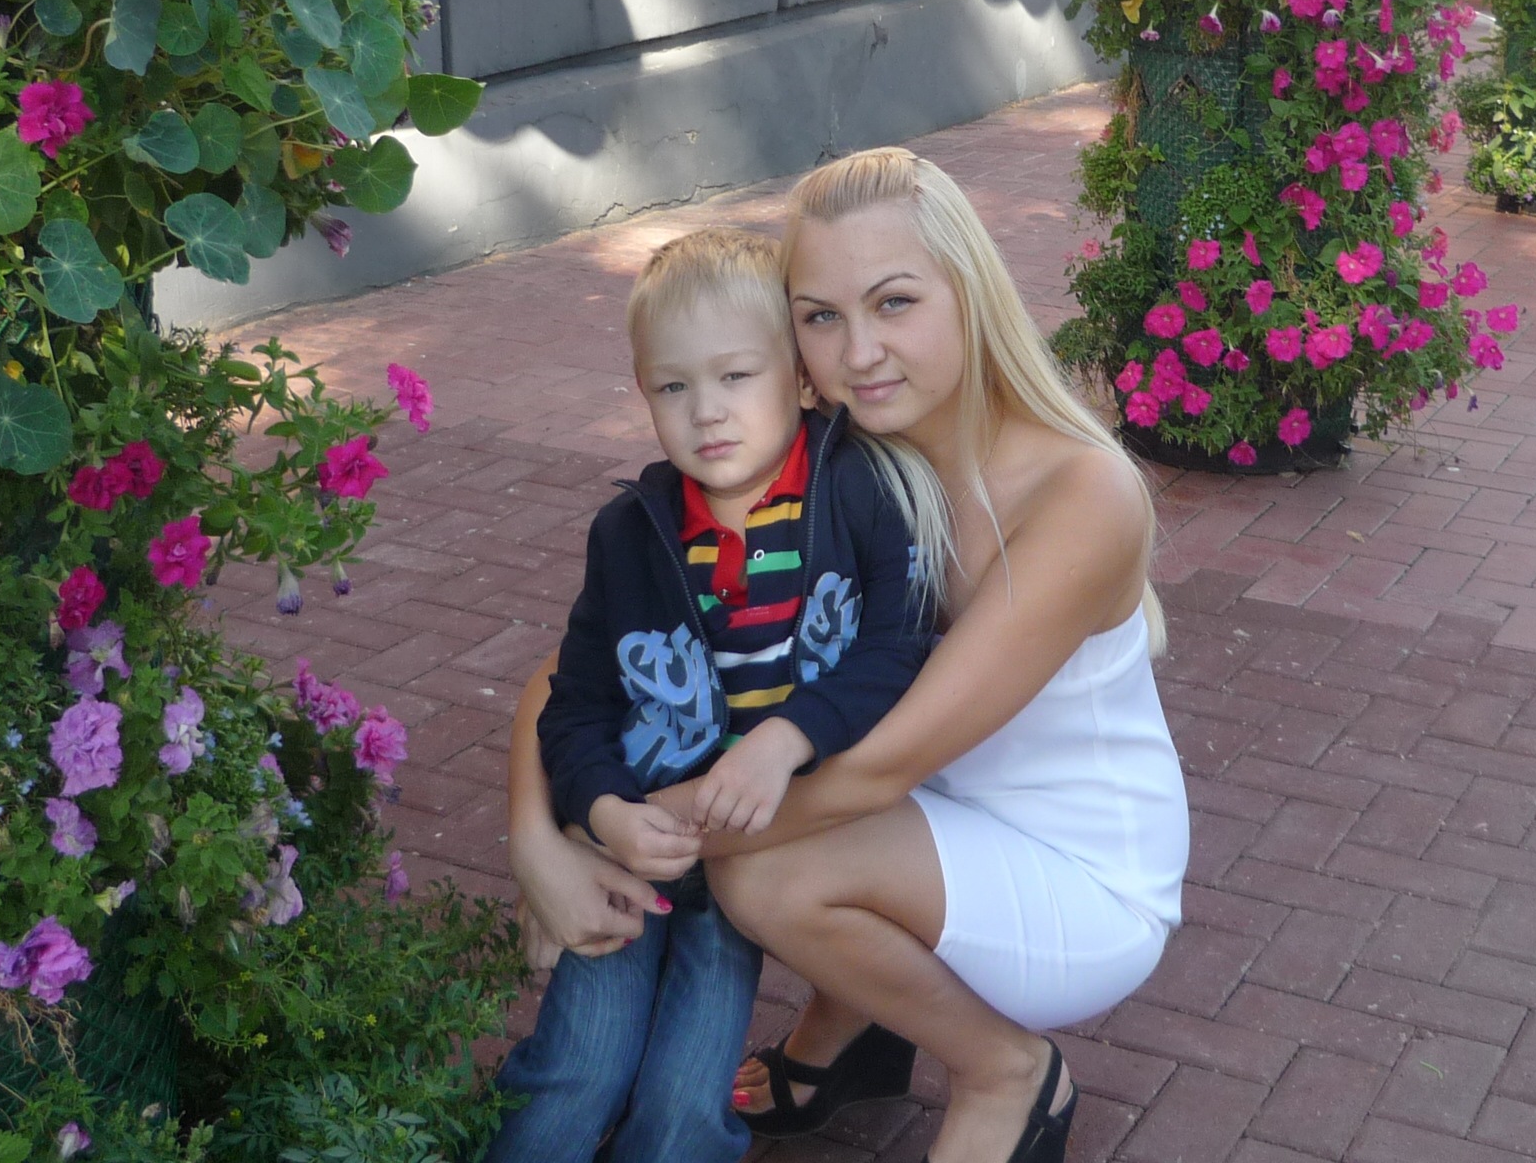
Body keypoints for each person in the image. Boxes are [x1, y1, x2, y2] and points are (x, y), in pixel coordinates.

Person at [509, 150, 1187, 1163]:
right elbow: (595, 667)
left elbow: (877, 770)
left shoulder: (1082, 494)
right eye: (820, 316)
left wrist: (614, 841)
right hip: (932, 825)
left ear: (971, 292)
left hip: (1079, 875)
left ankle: (1004, 1070)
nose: (858, 352)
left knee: (765, 870)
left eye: (895, 302)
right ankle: (850, 1028)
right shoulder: (839, 457)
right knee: (769, 803)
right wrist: (540, 841)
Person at [483, 227, 932, 1163]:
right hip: (633, 850)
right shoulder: (631, 534)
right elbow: (575, 703)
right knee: (577, 1070)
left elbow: (897, 648)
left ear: (799, 378)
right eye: (673, 387)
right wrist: (600, 811)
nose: (707, 413)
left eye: (736, 376)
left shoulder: (854, 495)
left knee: (687, 1100)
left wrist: (788, 737)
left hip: (747, 854)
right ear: (642, 390)